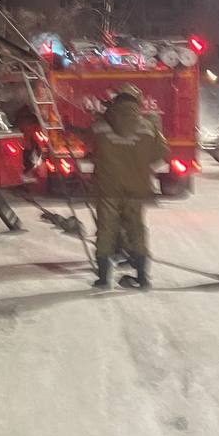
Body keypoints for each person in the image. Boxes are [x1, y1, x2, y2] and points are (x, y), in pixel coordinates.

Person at [90, 84, 169, 290]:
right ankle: (142, 277)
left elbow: (91, 147)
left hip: (108, 187)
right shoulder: (149, 126)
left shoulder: (100, 125)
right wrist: (142, 166)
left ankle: (103, 278)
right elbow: (161, 154)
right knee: (137, 230)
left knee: (106, 230)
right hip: (137, 186)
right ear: (137, 102)